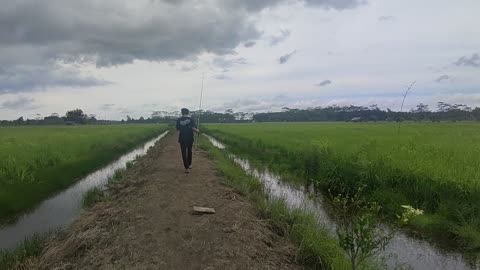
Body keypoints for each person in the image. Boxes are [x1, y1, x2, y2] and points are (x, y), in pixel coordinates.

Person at [176, 108, 199, 173]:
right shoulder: (191, 119)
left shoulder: (178, 120)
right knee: (189, 151)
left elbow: (177, 129)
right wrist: (197, 131)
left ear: (182, 113)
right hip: (190, 138)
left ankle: (186, 168)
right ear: (188, 112)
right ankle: (189, 164)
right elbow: (193, 128)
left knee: (183, 152)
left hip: (182, 138)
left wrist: (183, 128)